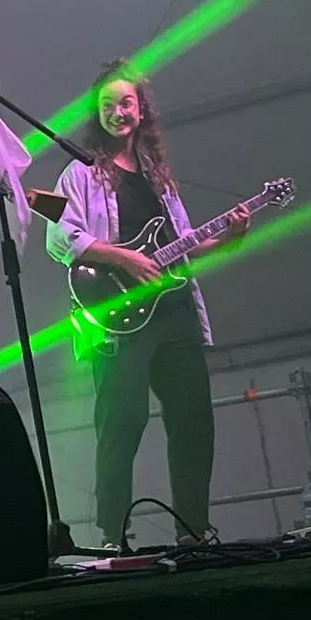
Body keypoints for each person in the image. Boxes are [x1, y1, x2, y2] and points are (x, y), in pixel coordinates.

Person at [45, 59, 250, 549]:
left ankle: (194, 531)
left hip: (174, 311)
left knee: (193, 418)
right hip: (120, 318)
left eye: (126, 103)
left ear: (141, 110)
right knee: (122, 421)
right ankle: (114, 536)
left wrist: (229, 238)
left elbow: (184, 245)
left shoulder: (159, 177)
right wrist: (124, 258)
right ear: (97, 112)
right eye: (108, 105)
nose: (118, 112)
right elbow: (59, 238)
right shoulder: (80, 173)